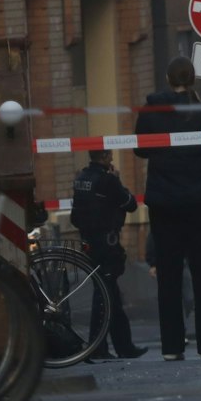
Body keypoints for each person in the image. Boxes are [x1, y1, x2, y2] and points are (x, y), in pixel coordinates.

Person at [134, 57, 201, 360]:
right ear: (192, 79)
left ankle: (172, 347)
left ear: (167, 78)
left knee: (169, 276)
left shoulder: (152, 110)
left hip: (165, 201)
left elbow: (140, 148)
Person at [68, 149, 147, 359]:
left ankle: (123, 345)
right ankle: (98, 347)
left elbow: (76, 215)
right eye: (110, 155)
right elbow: (130, 204)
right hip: (106, 242)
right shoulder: (108, 180)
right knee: (104, 293)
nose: (112, 158)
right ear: (104, 157)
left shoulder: (81, 178)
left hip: (89, 240)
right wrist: (118, 180)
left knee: (109, 293)